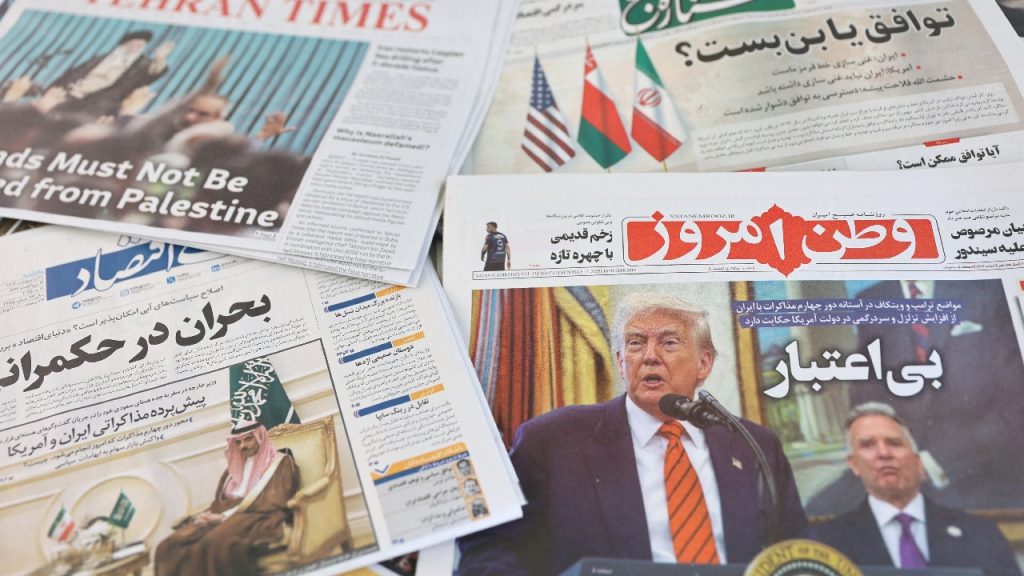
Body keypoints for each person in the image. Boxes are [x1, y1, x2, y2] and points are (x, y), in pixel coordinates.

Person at [457, 293, 807, 575]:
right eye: (636, 344)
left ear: (704, 363)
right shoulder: (553, 441)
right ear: (621, 361)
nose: (650, 357)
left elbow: (797, 551)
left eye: (669, 343)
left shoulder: (754, 445)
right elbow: (489, 551)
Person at [808, 279, 1024, 514]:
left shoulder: (988, 290)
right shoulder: (871, 299)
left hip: (977, 467)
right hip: (890, 467)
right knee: (817, 512)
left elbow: (1016, 402)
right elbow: (865, 391)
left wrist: (934, 462)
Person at [812, 403, 1021, 576]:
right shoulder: (824, 544)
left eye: (894, 443)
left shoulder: (981, 534)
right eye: (868, 445)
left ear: (917, 460)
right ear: (853, 464)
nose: (884, 453)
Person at [154, 421, 300, 576]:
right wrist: (208, 515)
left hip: (257, 516)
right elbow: (219, 502)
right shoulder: (233, 469)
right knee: (168, 546)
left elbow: (274, 503)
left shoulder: (279, 463)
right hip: (223, 516)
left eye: (248, 439)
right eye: (238, 441)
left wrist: (223, 517)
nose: (243, 445)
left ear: (260, 437)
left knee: (213, 542)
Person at [47, 30, 174, 118]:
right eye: (133, 43)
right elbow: (74, 73)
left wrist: (160, 59)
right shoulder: (101, 57)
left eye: (140, 45)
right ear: (124, 44)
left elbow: (154, 73)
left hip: (99, 104)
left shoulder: (143, 64)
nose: (136, 47)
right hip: (70, 94)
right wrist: (56, 89)